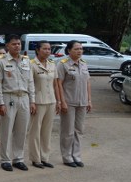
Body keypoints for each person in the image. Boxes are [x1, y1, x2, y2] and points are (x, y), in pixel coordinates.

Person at [0, 35, 36, 172]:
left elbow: (30, 82)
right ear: (7, 46)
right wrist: (0, 103)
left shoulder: (26, 61)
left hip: (24, 97)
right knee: (6, 130)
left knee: (22, 130)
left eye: (18, 44)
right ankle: (5, 159)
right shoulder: (1, 61)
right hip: (8, 97)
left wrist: (32, 101)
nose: (17, 46)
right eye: (14, 44)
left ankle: (18, 158)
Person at [57, 40, 91, 168]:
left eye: (81, 49)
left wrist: (89, 100)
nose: (79, 51)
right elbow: (58, 83)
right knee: (68, 131)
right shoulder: (63, 64)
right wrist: (61, 101)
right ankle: (67, 157)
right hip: (69, 102)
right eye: (76, 49)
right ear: (69, 50)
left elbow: (88, 82)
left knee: (79, 130)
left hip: (82, 102)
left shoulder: (83, 64)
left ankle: (76, 156)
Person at [28, 40, 60, 169]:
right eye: (45, 49)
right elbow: (30, 84)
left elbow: (55, 84)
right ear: (38, 50)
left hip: (51, 101)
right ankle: (36, 159)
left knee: (47, 131)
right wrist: (32, 102)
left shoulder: (52, 64)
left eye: (49, 49)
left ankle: (45, 157)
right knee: (35, 131)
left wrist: (58, 101)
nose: (47, 51)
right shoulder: (32, 64)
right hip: (38, 101)